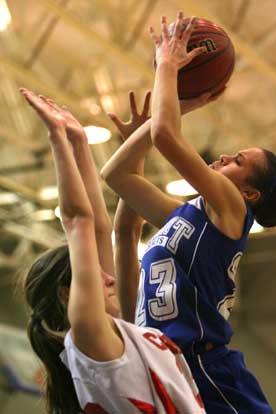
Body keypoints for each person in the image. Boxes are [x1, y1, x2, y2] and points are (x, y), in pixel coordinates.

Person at [101, 13, 275, 414]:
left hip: (204, 370)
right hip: (157, 364)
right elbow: (118, 182)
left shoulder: (231, 211)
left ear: (249, 192)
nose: (227, 154)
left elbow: (166, 134)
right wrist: (141, 140)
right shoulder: (186, 216)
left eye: (240, 161)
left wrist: (168, 68)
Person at [20, 87, 206, 414]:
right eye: (96, 275)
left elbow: (102, 229)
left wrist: (79, 142)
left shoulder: (119, 333)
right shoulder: (93, 343)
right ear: (70, 294)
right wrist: (57, 138)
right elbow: (79, 220)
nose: (109, 278)